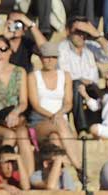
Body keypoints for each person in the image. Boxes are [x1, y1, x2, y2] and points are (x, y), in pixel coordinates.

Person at [0, 35, 34, 177]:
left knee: (22, 135)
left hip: (13, 118)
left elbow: (23, 102)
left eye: (3, 49)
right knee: (9, 135)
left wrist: (15, 113)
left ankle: (28, 178)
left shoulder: (19, 72)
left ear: (10, 51)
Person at [58, 16, 108, 134]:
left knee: (104, 88)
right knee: (77, 85)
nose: (82, 35)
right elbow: (64, 74)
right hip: (71, 88)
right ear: (68, 31)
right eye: (78, 31)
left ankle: (99, 127)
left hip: (92, 87)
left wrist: (97, 35)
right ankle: (82, 129)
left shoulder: (90, 46)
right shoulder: (62, 48)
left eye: (84, 32)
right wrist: (82, 80)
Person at [27, 42, 80, 171]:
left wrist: (59, 114)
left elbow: (68, 103)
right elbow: (35, 104)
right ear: (41, 58)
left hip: (59, 122)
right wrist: (54, 116)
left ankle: (59, 175)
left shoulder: (65, 76)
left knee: (55, 139)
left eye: (53, 57)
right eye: (47, 57)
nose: (50, 60)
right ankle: (79, 166)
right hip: (40, 121)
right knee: (60, 124)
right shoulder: (33, 77)